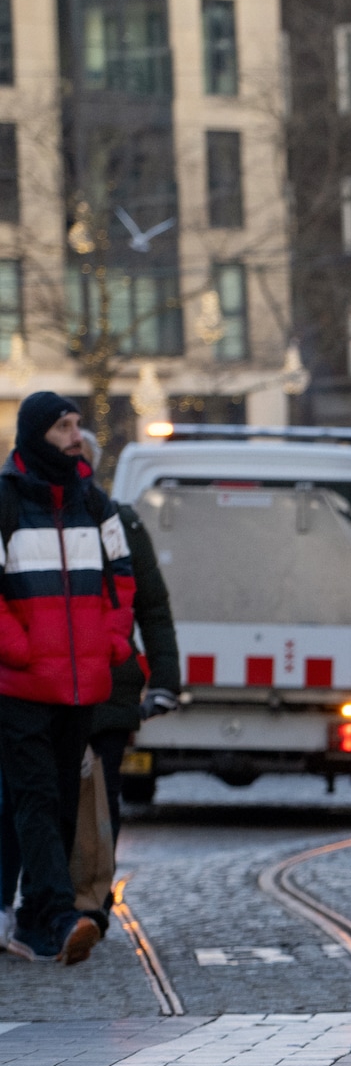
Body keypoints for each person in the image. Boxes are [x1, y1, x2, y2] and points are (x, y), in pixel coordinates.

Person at [0, 395, 135, 965]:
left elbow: (121, 579)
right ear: (38, 435)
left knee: (58, 804)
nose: (75, 435)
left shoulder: (94, 502)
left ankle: (33, 918)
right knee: (35, 798)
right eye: (64, 426)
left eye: (78, 424)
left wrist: (110, 643)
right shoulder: (4, 502)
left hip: (80, 685)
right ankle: (57, 916)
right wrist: (19, 650)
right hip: (22, 685)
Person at [77, 430, 179, 835]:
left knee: (104, 795)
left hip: (109, 686)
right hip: (43, 685)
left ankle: (96, 890)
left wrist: (165, 680)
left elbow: (152, 607)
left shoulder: (123, 524)